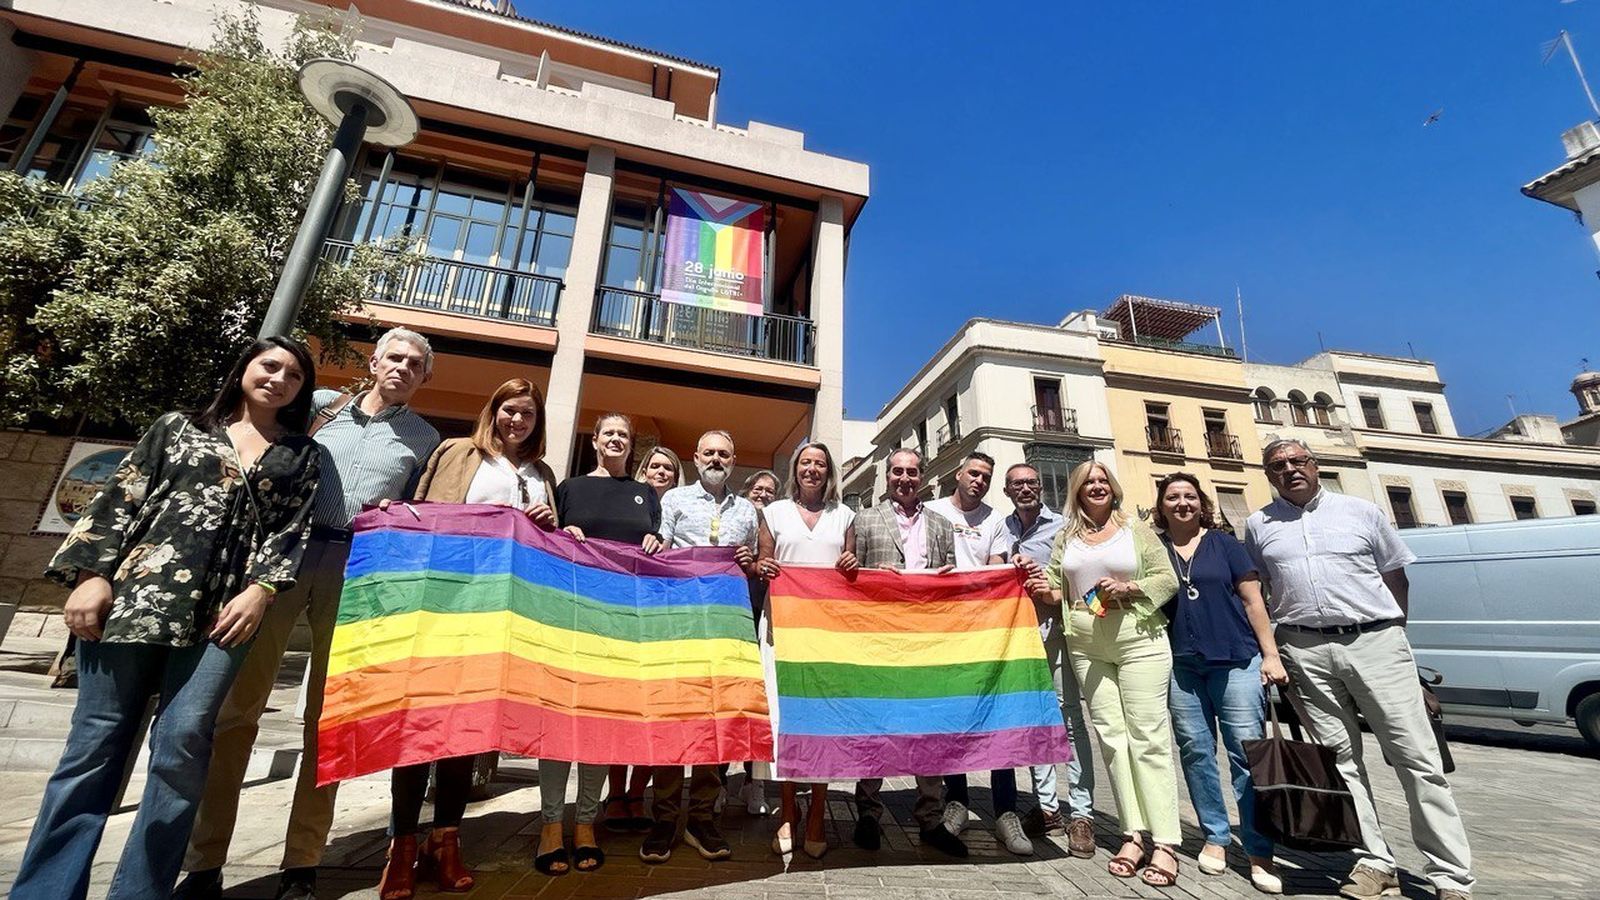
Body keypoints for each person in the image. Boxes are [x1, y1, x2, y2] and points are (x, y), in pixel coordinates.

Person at [13, 337, 322, 900]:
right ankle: (45, 889)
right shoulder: (177, 428)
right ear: (244, 370)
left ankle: (142, 891)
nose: (279, 379)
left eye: (293, 376)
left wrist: (261, 590)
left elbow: (289, 532)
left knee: (182, 744)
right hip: (135, 601)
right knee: (94, 748)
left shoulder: (302, 455)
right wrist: (92, 575)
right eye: (269, 366)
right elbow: (119, 499)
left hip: (224, 618)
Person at [179, 327, 440, 900]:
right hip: (280, 562)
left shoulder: (425, 438)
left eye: (414, 364)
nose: (401, 368)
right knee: (236, 711)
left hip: (356, 568)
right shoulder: (321, 409)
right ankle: (203, 861)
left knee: (328, 719)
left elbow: (420, 510)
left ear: (426, 378)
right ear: (374, 361)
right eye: (393, 357)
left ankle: (303, 860)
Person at [1246, 439, 1474, 900]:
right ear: (1269, 475)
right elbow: (1261, 588)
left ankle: (1450, 875)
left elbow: (1396, 575)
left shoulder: (1363, 511)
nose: (1290, 470)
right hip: (1304, 648)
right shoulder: (1257, 525)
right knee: (1341, 762)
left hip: (1375, 640)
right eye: (1278, 466)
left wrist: (1391, 633)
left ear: (1315, 465)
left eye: (1298, 461)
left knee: (1417, 758)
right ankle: (1375, 862)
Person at [373, 378, 559, 897]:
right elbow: (419, 512)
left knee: (467, 733)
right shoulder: (457, 452)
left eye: (527, 414)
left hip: (502, 618)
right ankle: (402, 848)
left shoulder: (541, 474)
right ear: (493, 410)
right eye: (509, 410)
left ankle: (447, 842)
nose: (517, 421)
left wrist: (549, 525)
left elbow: (548, 550)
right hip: (442, 608)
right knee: (419, 725)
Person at [1039, 460, 1181, 887]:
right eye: (1088, 483)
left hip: (1138, 636)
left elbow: (1166, 578)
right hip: (1085, 640)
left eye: (1102, 481)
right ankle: (1132, 834)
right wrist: (1030, 582)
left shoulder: (1135, 529)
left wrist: (1131, 587)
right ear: (1078, 492)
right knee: (1112, 739)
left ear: (1112, 488)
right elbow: (1053, 587)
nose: (1096, 487)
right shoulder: (1067, 536)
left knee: (1149, 737)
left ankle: (1167, 842)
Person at [1153, 473, 1287, 895]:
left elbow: (1253, 600)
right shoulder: (1154, 549)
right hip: (1181, 666)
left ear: (1201, 503)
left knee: (1246, 752)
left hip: (1235, 660)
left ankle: (1258, 849)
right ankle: (1215, 834)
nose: (1182, 503)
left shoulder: (1226, 544)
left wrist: (1271, 654)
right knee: (1195, 751)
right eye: (1172, 497)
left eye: (1189, 496)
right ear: (1162, 506)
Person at [541, 413, 662, 875]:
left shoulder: (646, 493)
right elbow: (546, 542)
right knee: (555, 719)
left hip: (621, 622)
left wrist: (656, 538)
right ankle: (552, 823)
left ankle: (587, 821)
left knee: (599, 722)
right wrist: (560, 533)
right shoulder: (569, 487)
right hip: (568, 617)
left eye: (624, 435)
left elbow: (654, 548)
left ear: (632, 446)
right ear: (595, 441)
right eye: (608, 433)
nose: (616, 439)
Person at [638, 429, 761, 864]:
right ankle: (665, 818)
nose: (715, 458)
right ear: (695, 457)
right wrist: (654, 545)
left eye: (723, 453)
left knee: (717, 718)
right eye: (707, 452)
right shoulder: (672, 500)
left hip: (725, 625)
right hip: (678, 622)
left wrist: (749, 561)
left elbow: (753, 561)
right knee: (674, 717)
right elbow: (661, 550)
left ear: (733, 459)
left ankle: (702, 818)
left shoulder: (748, 510)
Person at [848, 448, 970, 859]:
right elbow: (852, 581)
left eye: (912, 472)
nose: (905, 478)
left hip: (927, 641)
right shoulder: (863, 519)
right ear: (887, 477)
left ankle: (930, 818)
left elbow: (950, 577)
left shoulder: (940, 524)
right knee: (877, 724)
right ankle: (868, 811)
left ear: (923, 477)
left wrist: (947, 577)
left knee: (928, 725)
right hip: (879, 639)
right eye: (898, 471)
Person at [752, 443, 857, 859]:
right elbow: (762, 562)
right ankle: (789, 812)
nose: (812, 469)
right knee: (788, 720)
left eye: (820, 464)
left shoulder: (844, 516)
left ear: (828, 472)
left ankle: (817, 812)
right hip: (782, 627)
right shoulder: (773, 512)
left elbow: (851, 569)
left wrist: (850, 562)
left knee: (823, 723)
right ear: (795, 470)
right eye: (805, 463)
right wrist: (764, 567)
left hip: (830, 634)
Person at [925, 451, 1032, 856]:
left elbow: (996, 569)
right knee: (952, 716)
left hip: (984, 630)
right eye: (974, 473)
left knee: (995, 713)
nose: (979, 481)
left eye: (986, 476)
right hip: (939, 631)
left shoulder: (995, 521)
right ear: (958, 474)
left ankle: (1006, 811)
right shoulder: (932, 510)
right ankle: (957, 803)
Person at [1000, 463, 1098, 858]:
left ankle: (1082, 813)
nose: (1025, 489)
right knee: (1033, 721)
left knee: (1070, 718)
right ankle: (1046, 807)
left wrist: (1049, 583)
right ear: (1007, 491)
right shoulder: (1000, 528)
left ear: (1041, 487)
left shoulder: (1064, 527)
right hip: (1017, 639)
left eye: (1032, 482)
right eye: (1017, 484)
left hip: (1056, 633)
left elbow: (1083, 581)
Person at [601, 443, 684, 832]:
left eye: (669, 467)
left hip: (668, 623)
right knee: (622, 711)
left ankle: (638, 794)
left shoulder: (684, 510)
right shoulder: (629, 506)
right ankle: (615, 795)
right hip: (624, 617)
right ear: (643, 470)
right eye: (654, 465)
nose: (661, 472)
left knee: (657, 714)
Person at [727, 468, 780, 817]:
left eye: (770, 490)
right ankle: (716, 780)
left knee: (757, 705)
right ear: (747, 492)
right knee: (728, 702)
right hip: (730, 619)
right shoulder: (734, 520)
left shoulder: (777, 527)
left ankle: (754, 782)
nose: (763, 494)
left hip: (766, 622)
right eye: (758, 489)